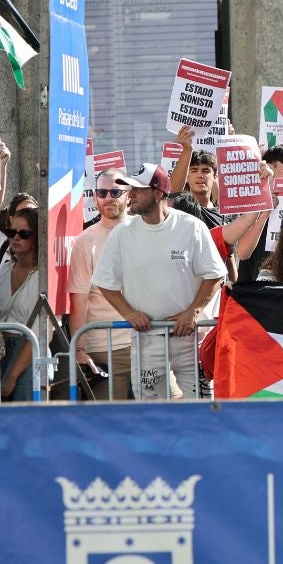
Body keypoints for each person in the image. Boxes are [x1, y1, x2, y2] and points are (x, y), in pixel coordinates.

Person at [91, 164, 226, 399]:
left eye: (137, 190)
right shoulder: (122, 233)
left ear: (158, 193)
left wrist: (193, 311)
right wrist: (128, 313)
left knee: (197, 414)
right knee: (152, 415)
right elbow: (104, 281)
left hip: (188, 341)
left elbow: (214, 274)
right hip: (147, 340)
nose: (130, 195)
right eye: (129, 189)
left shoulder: (191, 226)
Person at [68, 170, 133, 399]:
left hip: (148, 342)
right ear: (95, 197)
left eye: (115, 192)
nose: (108, 198)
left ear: (129, 195)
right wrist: (79, 350)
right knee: (108, 424)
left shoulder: (144, 231)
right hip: (103, 348)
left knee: (157, 420)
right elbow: (79, 301)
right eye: (102, 192)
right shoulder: (85, 241)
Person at [0, 208, 41, 401]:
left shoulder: (44, 277)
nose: (16, 238)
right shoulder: (4, 270)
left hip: (28, 356)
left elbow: (39, 335)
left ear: (38, 237)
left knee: (24, 422)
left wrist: (12, 375)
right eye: (12, 232)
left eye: (24, 234)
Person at [168, 126, 224, 228]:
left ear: (215, 176)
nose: (200, 175)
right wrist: (187, 150)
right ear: (187, 178)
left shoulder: (225, 214)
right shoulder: (183, 208)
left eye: (205, 171)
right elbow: (173, 193)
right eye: (194, 170)